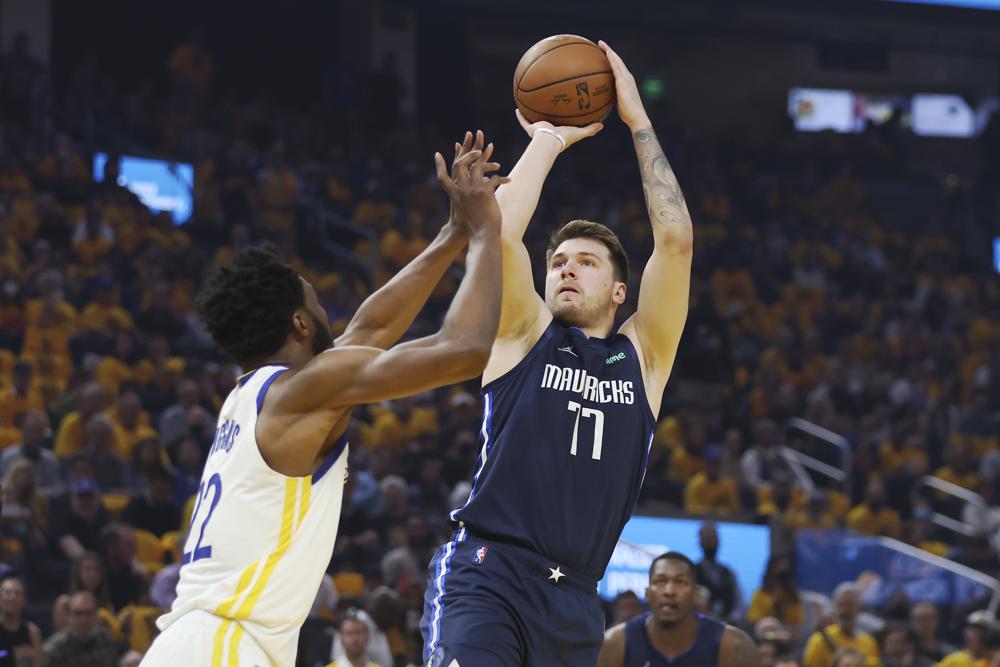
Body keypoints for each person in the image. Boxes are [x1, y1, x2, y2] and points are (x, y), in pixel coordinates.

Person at [143, 135, 507, 667]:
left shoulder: (253, 397)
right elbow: (465, 349)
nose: (327, 313)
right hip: (224, 647)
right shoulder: (299, 393)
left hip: (198, 642)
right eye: (316, 301)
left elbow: (371, 329)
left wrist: (453, 231)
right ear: (299, 322)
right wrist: (487, 233)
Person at [421, 42, 694, 667]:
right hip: (488, 574)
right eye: (559, 262)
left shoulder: (643, 358)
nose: (567, 269)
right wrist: (547, 137)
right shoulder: (523, 334)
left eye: (587, 262)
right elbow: (495, 234)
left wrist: (637, 121)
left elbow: (676, 241)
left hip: (574, 601)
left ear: (621, 292)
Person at [597, 552, 760, 666]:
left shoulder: (733, 645)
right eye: (660, 581)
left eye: (680, 582)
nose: (669, 591)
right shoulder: (615, 643)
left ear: (696, 594)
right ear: (647, 593)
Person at [802, 583, 879, 667]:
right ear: (834, 608)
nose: (845, 610)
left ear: (859, 607)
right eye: (841, 605)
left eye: (850, 605)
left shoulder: (869, 643)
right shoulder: (819, 641)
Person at [42, 591, 119, 667]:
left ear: (96, 615)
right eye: (78, 613)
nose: (84, 620)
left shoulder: (105, 639)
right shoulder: (55, 648)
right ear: (69, 616)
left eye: (89, 613)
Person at [695, 522, 741, 622]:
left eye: (713, 539)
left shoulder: (729, 573)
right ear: (700, 542)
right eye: (707, 540)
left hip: (727, 625)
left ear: (718, 542)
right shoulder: (692, 572)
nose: (710, 544)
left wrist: (730, 619)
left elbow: (738, 604)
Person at [0, 577, 43, 667]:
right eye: (7, 592)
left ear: (24, 600)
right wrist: (12, 655)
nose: (12, 597)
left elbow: (38, 663)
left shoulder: (32, 631)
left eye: (18, 593)